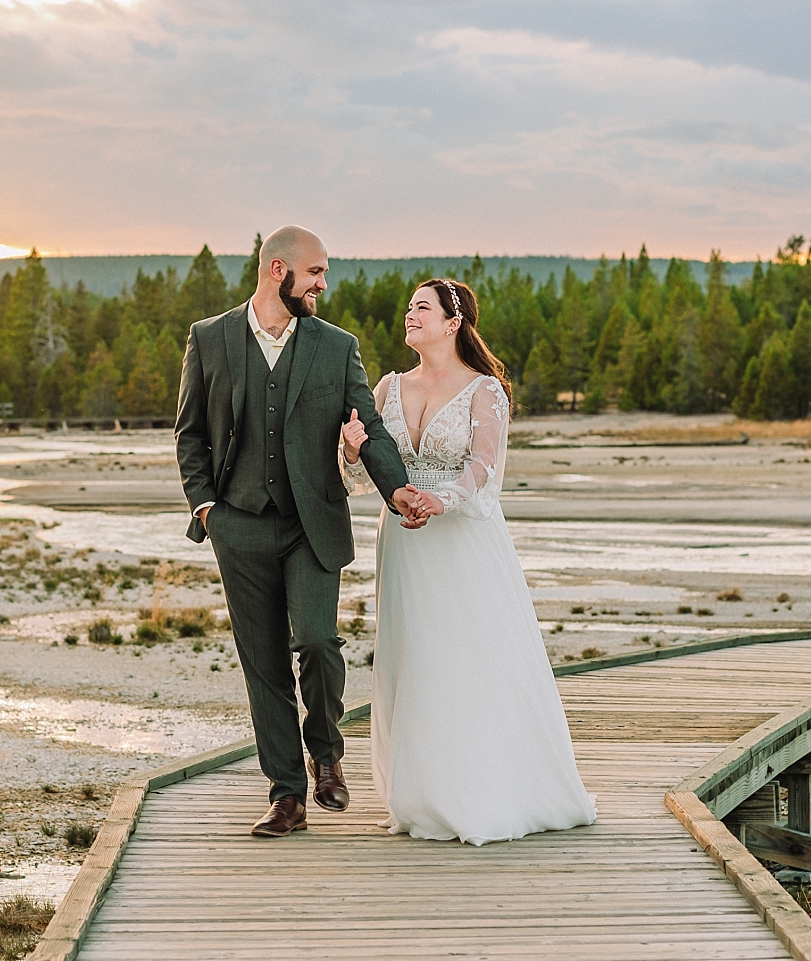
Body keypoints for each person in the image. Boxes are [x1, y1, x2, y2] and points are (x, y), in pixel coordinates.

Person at [175, 225, 425, 838]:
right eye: (315, 274)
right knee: (262, 665)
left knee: (315, 642)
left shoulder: (336, 347)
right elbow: (189, 434)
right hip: (239, 525)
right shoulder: (210, 339)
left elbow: (370, 428)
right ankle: (286, 796)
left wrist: (397, 490)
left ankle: (327, 753)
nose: (322, 285)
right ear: (277, 270)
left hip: (311, 524)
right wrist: (207, 508)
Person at [341, 278, 597, 845]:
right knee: (414, 658)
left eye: (422, 308)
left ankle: (483, 789)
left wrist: (442, 499)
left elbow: (485, 469)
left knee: (467, 654)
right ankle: (420, 795)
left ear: (453, 322)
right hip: (403, 539)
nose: (410, 315)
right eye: (408, 307)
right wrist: (354, 451)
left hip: (461, 540)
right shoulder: (386, 387)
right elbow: (359, 476)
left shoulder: (485, 390)